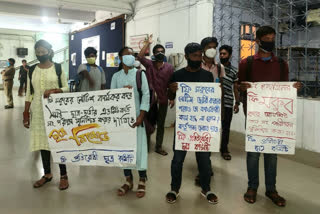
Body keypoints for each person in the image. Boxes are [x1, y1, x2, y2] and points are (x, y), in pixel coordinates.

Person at [239, 26, 302, 207]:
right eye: (266, 38)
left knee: (272, 154)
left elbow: (284, 90)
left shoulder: (282, 64)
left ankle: (271, 189)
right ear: (258, 41)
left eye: (273, 38)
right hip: (253, 116)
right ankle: (252, 187)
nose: (270, 41)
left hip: (274, 118)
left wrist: (293, 88)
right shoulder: (247, 63)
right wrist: (241, 88)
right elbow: (239, 86)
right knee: (253, 153)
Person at [165, 43, 218, 204]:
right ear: (186, 56)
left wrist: (218, 93)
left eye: (200, 55)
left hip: (202, 126)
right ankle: (174, 188)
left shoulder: (207, 76)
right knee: (177, 160)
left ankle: (206, 188)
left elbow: (211, 100)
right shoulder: (177, 75)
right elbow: (170, 97)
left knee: (204, 160)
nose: (198, 58)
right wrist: (172, 90)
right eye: (194, 56)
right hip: (184, 126)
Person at [23, 39, 69, 190]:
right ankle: (47, 174)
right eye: (38, 52)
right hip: (37, 110)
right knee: (43, 143)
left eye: (43, 51)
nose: (40, 54)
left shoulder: (58, 67)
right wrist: (25, 112)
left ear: (49, 51)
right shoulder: (32, 70)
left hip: (55, 111)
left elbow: (67, 87)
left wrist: (56, 90)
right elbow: (30, 92)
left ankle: (63, 175)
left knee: (58, 140)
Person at [111, 47, 150, 198]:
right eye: (126, 54)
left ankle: (142, 179)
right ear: (120, 58)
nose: (129, 57)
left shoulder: (140, 74)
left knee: (139, 149)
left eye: (131, 54)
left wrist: (141, 115)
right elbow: (112, 97)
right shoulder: (116, 76)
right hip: (122, 120)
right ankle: (128, 179)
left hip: (137, 117)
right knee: (124, 150)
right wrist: (122, 92)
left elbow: (146, 95)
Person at [138, 35, 174, 156]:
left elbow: (171, 84)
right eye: (157, 52)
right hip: (150, 101)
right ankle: (146, 146)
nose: (160, 53)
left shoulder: (169, 67)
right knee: (148, 123)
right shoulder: (149, 64)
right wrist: (148, 43)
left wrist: (172, 98)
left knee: (161, 124)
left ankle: (159, 147)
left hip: (163, 100)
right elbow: (139, 56)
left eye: (162, 52)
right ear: (153, 54)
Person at [219, 45, 240, 160]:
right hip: (215, 103)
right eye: (220, 53)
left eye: (224, 54)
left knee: (226, 127)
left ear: (230, 55)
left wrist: (237, 103)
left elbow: (235, 88)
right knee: (212, 127)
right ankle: (209, 147)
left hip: (227, 103)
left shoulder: (234, 71)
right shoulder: (215, 68)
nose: (222, 56)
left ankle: (224, 149)